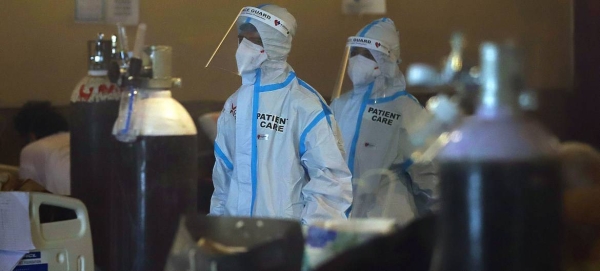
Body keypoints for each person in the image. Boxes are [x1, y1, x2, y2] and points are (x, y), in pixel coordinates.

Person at [209, 4, 352, 224]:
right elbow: (224, 176)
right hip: (236, 236)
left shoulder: (304, 105)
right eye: (242, 39)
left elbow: (331, 182)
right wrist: (216, 227)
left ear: (276, 44)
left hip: (284, 240)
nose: (245, 47)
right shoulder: (234, 104)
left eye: (255, 41)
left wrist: (308, 238)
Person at [330, 18, 438, 223]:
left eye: (367, 54)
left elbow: (430, 174)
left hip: (389, 223)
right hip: (344, 224)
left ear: (385, 60)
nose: (357, 59)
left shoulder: (405, 109)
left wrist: (437, 224)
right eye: (354, 53)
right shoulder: (339, 106)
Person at [14, 101, 70, 195]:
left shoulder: (32, 149)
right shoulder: (76, 138)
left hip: (68, 205)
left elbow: (26, 194)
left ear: (31, 135)